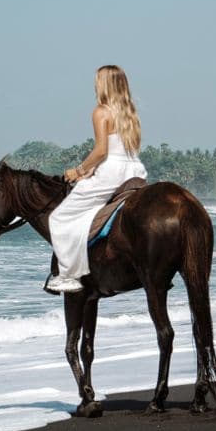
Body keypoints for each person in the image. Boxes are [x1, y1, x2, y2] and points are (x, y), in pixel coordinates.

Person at [46, 65, 147, 293]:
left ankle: (68, 275)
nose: (94, 85)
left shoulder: (101, 111)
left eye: (97, 80)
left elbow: (101, 151)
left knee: (59, 218)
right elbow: (120, 149)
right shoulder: (130, 113)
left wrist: (79, 170)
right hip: (134, 171)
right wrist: (92, 170)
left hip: (111, 173)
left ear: (104, 84)